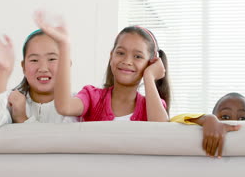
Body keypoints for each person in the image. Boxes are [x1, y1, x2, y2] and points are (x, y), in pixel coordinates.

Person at [34, 12, 170, 122]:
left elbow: (160, 132)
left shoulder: (152, 105)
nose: (127, 61)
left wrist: (149, 76)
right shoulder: (92, 97)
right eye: (120, 53)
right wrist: (64, 45)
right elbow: (64, 107)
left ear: (150, 63)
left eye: (138, 56)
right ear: (111, 56)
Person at [0, 26, 78, 131]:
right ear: (23, 66)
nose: (43, 68)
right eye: (34, 60)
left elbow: (59, 142)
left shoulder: (79, 102)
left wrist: (22, 118)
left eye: (52, 59)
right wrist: (3, 70)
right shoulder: (10, 100)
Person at [170, 93, 245, 158]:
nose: (234, 122)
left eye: (243, 119)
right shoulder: (209, 127)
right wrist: (206, 119)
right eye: (225, 117)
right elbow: (172, 120)